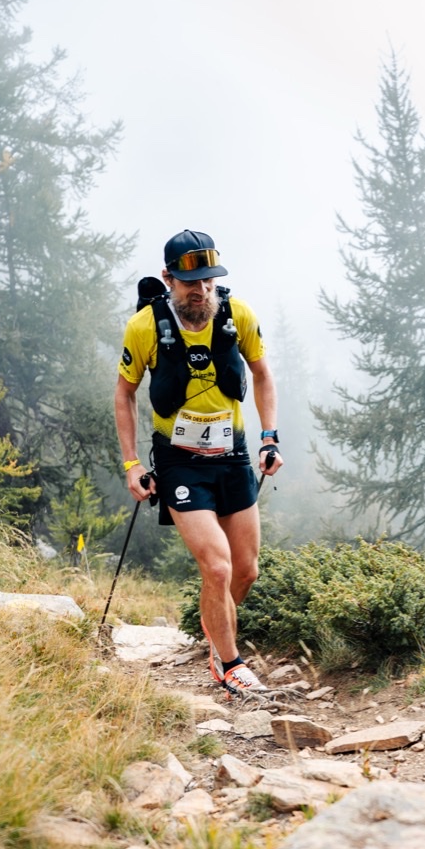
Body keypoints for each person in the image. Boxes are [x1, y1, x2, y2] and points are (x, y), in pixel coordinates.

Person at [113, 229, 282, 698]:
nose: (201, 290)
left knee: (246, 571)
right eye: (191, 282)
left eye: (208, 281)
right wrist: (131, 464)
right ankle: (230, 664)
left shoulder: (238, 315)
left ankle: (214, 636)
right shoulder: (145, 327)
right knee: (219, 567)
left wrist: (270, 439)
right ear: (169, 278)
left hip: (233, 456)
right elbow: (124, 395)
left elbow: (263, 376)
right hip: (179, 463)